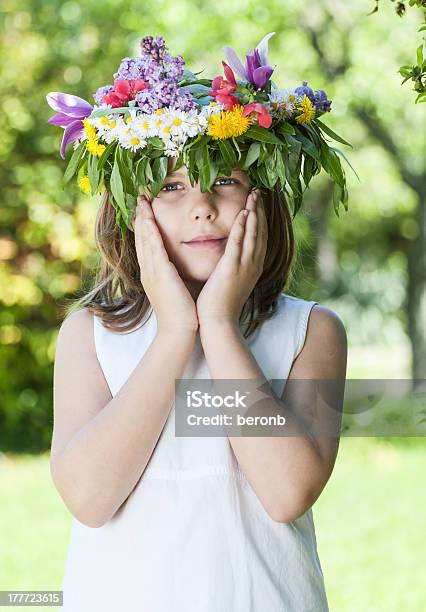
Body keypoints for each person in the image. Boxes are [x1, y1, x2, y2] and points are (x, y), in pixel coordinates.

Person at [48, 32, 348, 612]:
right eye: (171, 186)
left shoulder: (312, 333)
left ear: (262, 197)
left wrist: (218, 325)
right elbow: (89, 498)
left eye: (226, 180)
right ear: (132, 212)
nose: (202, 205)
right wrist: (175, 334)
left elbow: (287, 493)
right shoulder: (90, 336)